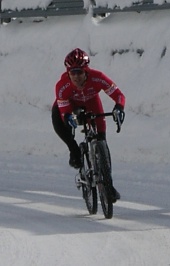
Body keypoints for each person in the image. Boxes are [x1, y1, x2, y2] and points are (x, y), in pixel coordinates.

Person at [51, 48, 125, 201]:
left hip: (91, 103)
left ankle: (108, 184)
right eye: (73, 73)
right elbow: (64, 110)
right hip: (71, 105)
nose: (76, 77)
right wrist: (68, 117)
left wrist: (119, 107)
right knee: (57, 117)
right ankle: (74, 150)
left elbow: (118, 95)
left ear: (87, 71)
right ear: (68, 73)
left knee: (102, 141)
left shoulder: (97, 78)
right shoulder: (62, 86)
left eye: (80, 72)